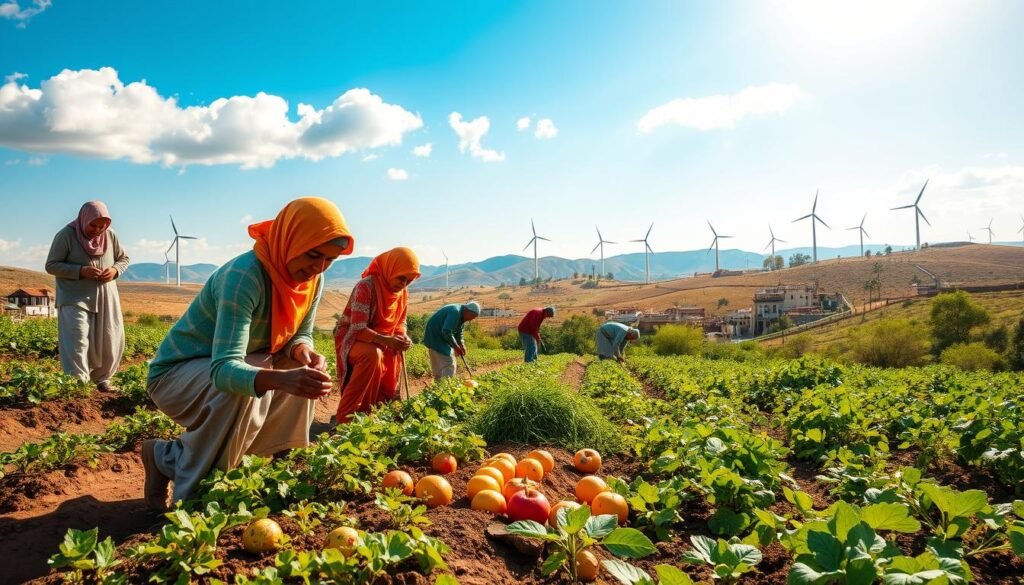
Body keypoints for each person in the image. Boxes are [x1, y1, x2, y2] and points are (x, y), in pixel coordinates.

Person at [140, 197, 354, 511]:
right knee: (247, 381)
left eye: (330, 260)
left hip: (245, 362)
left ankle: (276, 466)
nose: (319, 267)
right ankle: (194, 491)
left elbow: (300, 333)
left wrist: (304, 352)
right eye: (313, 254)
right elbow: (225, 369)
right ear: (289, 240)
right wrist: (281, 379)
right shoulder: (245, 277)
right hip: (175, 377)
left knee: (297, 371)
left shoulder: (312, 280)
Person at [45, 201, 130, 391]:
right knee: (77, 339)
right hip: (74, 296)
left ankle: (102, 379)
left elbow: (124, 258)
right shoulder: (66, 235)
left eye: (102, 226)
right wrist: (80, 271)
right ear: (84, 219)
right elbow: (51, 265)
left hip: (106, 295)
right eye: (94, 225)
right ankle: (77, 383)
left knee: (110, 338)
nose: (97, 230)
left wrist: (115, 270)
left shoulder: (110, 235)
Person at [333, 247, 421, 423]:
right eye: (401, 278)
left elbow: (400, 322)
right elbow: (357, 327)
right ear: (390, 269)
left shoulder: (402, 293)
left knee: (389, 352)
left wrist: (403, 337)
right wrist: (387, 340)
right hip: (353, 339)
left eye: (409, 281)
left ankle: (374, 412)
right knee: (372, 355)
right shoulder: (366, 286)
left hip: (382, 340)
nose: (403, 284)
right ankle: (346, 418)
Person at [422, 301, 481, 380]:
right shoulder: (455, 312)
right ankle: (446, 387)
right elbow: (446, 331)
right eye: (472, 316)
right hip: (436, 337)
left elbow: (459, 331)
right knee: (449, 364)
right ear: (467, 311)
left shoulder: (461, 315)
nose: (470, 320)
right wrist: (456, 346)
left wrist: (461, 344)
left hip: (437, 338)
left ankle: (439, 386)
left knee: (440, 365)